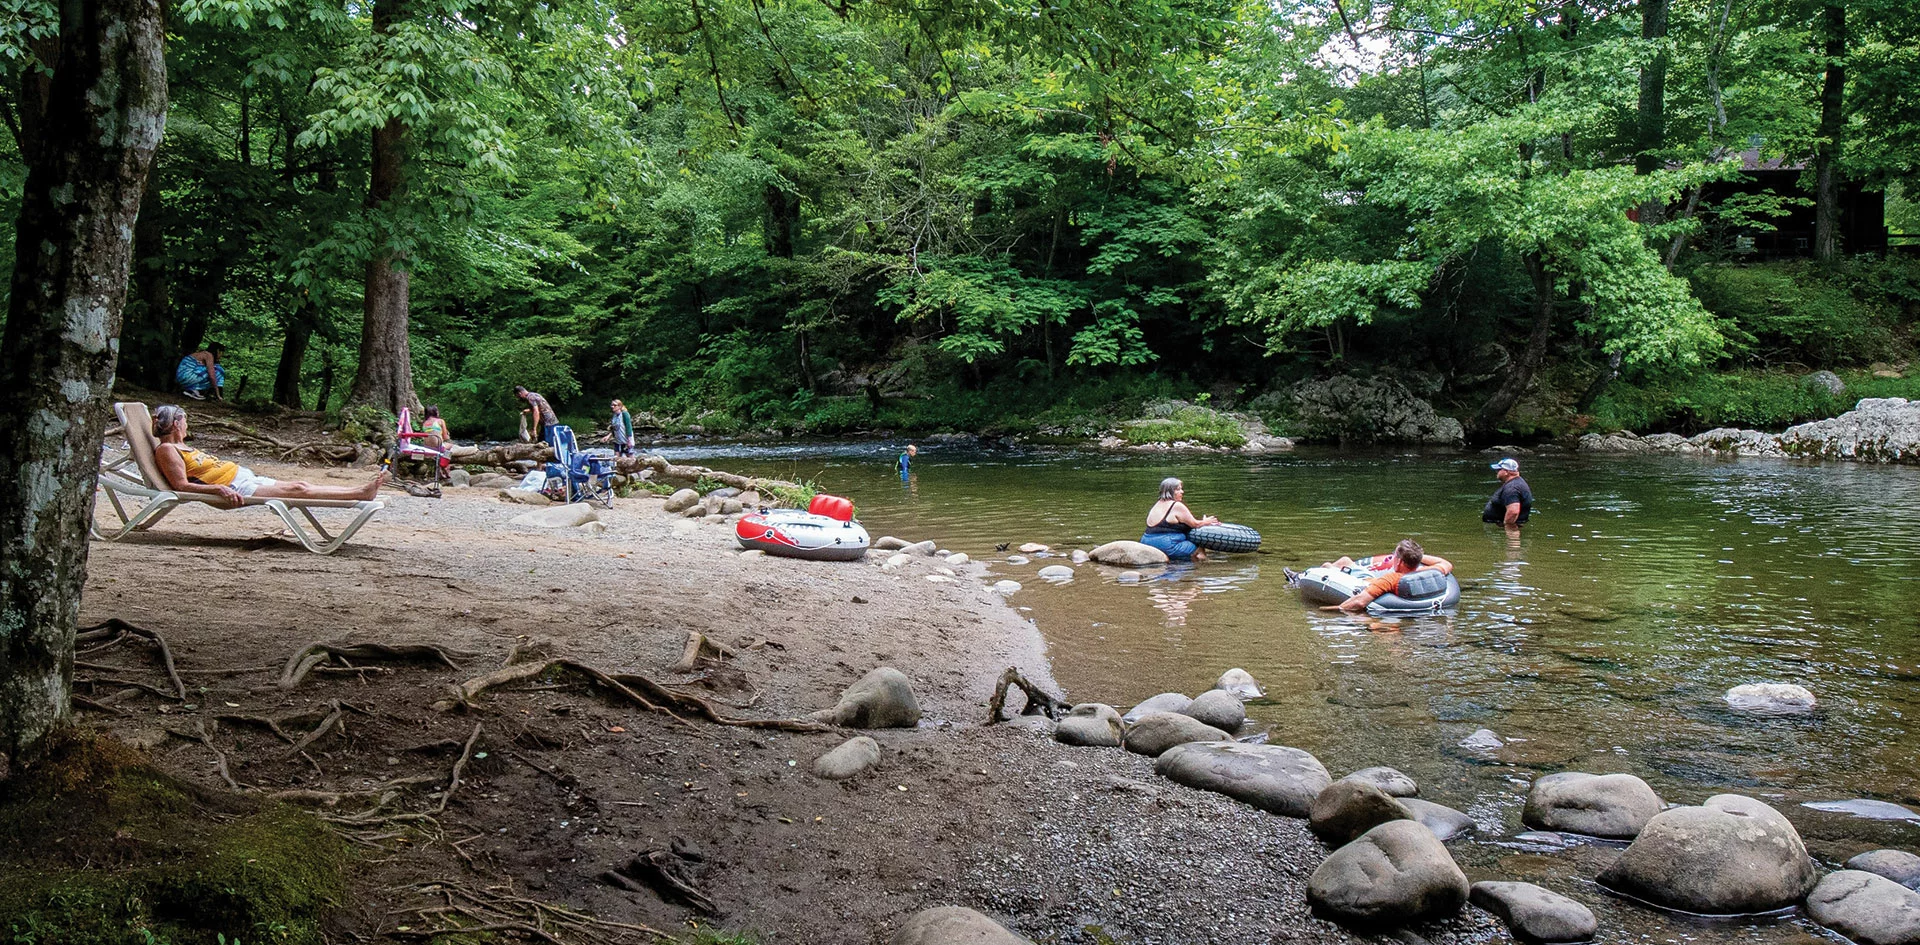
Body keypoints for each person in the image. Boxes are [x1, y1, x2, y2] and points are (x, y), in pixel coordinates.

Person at [151, 405, 385, 506]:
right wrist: (218, 489)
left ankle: (358, 492)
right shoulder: (167, 450)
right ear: (175, 424)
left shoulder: (181, 447)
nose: (186, 425)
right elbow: (180, 485)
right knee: (298, 491)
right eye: (184, 421)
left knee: (300, 484)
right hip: (234, 488)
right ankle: (360, 494)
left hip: (241, 479)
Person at [1324, 539, 1453, 612]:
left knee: (1337, 563)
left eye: (1394, 556)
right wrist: (1415, 556)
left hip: (1365, 582)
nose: (1393, 558)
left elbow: (1359, 602)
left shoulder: (1391, 579)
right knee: (1346, 561)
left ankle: (1313, 574)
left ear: (1400, 561)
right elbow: (1446, 563)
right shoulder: (1428, 572)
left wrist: (1325, 610)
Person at [1141, 477, 1218, 561]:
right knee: (1199, 547)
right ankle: (1201, 568)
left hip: (1146, 541)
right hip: (1166, 544)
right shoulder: (1176, 505)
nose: (1182, 492)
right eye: (1178, 489)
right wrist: (1206, 521)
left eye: (1181, 489)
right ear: (1170, 491)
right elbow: (1195, 524)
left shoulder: (1157, 504)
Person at [1483, 457, 1533, 526]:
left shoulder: (1512, 488)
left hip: (1508, 529)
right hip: (1503, 527)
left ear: (1506, 472)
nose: (1496, 472)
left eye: (1499, 470)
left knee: (1513, 536)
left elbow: (1513, 512)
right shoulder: (1517, 483)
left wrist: (1508, 528)